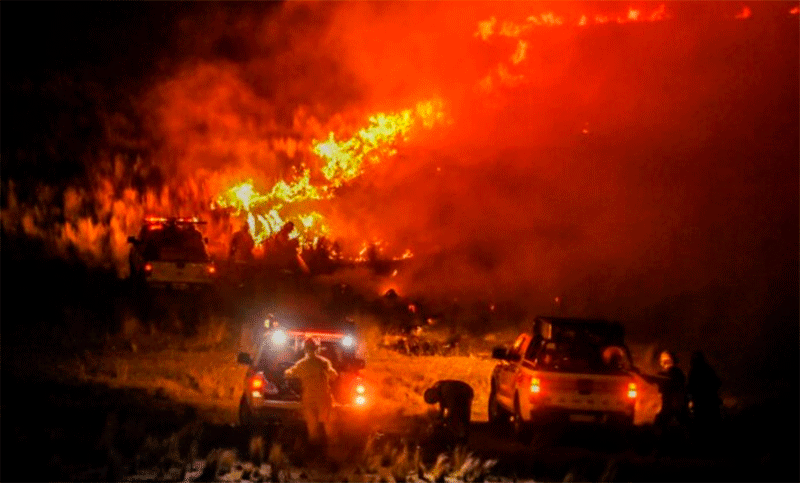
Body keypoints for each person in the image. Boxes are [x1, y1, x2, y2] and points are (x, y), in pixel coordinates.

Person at [284, 338, 338, 446]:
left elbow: (288, 374)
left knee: (312, 426)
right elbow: (334, 376)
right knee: (328, 425)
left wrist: (287, 371)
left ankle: (314, 448)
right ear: (317, 349)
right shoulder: (324, 362)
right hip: (324, 398)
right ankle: (331, 448)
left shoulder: (302, 364)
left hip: (309, 399)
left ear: (304, 349)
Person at [641, 350, 688, 431]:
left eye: (666, 360)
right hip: (671, 403)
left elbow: (656, 378)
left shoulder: (673, 373)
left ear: (673, 360)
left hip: (672, 402)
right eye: (662, 360)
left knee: (664, 421)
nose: (663, 363)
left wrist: (643, 375)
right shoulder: (673, 373)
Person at [423, 380, 474, 445]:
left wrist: (443, 421)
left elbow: (452, 411)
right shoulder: (440, 392)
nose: (434, 402)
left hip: (465, 393)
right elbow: (442, 409)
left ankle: (463, 439)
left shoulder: (447, 391)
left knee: (461, 418)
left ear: (433, 394)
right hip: (460, 394)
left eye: (433, 400)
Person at [687, 351, 722, 427]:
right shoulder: (708, 370)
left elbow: (690, 388)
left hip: (703, 404)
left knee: (703, 425)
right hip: (708, 403)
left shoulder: (695, 371)